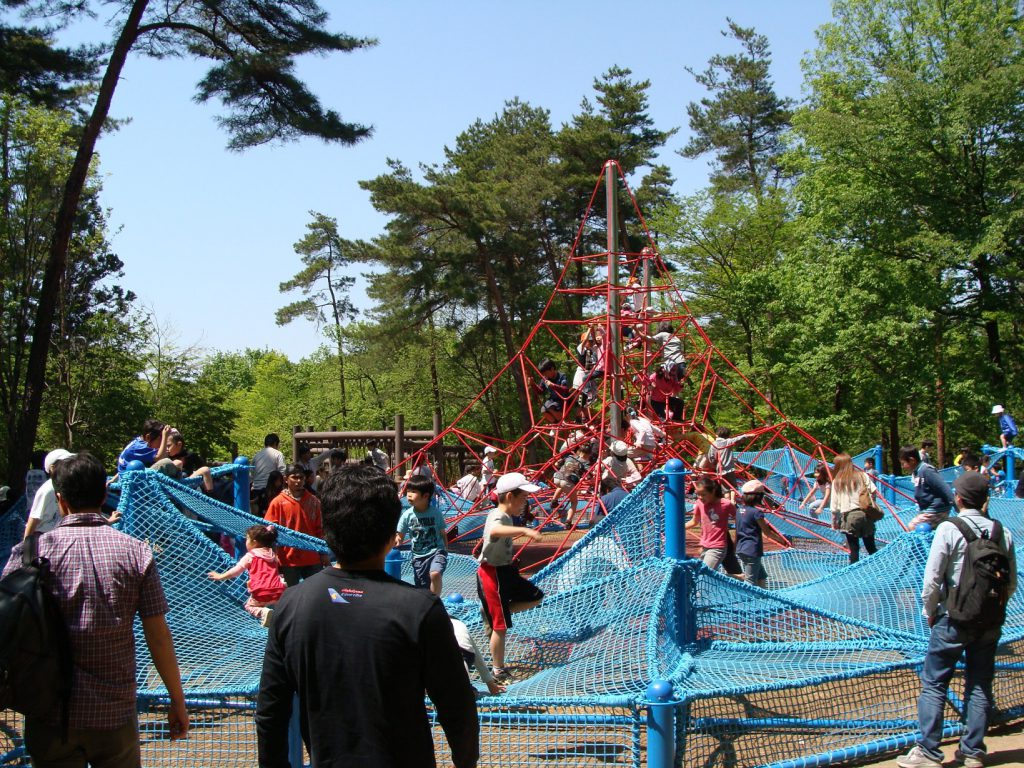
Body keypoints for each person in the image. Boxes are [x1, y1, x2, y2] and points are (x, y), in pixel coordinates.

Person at [255, 464, 479, 767]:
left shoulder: (292, 604)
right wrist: (466, 761)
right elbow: (457, 706)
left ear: (327, 528)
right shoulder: (419, 609)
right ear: (391, 534)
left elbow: (271, 709)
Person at [3, 452, 189, 763]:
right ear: (105, 494)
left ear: (60, 501)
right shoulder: (135, 553)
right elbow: (158, 636)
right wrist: (177, 701)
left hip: (48, 709)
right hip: (114, 713)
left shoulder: (28, 554)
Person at [896, 472, 1017, 768]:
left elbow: (932, 579)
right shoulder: (1003, 532)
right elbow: (1010, 583)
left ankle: (928, 751)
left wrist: (930, 611)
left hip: (953, 617)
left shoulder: (950, 529)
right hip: (989, 621)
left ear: (959, 499)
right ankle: (973, 751)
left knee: (935, 682)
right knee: (979, 683)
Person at [477, 472, 545, 684]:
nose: (525, 503)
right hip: (492, 574)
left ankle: (495, 612)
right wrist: (524, 531)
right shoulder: (497, 515)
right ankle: (498, 671)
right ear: (509, 497)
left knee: (536, 596)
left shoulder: (508, 516)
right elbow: (495, 530)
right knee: (500, 627)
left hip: (506, 572)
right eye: (523, 498)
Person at [208, 523, 287, 626]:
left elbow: (236, 570)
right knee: (276, 607)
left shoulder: (251, 556)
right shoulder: (272, 554)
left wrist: (220, 576)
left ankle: (262, 612)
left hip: (261, 591)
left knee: (249, 606)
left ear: (254, 542)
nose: (246, 542)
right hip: (279, 590)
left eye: (247, 539)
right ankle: (281, 618)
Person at [264, 463, 329, 586]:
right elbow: (269, 531)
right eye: (294, 477)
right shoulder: (277, 502)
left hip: (312, 557)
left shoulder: (314, 502)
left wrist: (323, 553)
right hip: (288, 558)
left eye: (301, 477)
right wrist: (272, 554)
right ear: (286, 479)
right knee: (290, 594)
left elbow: (320, 529)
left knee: (315, 592)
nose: (298, 481)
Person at [398, 474, 449, 596]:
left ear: (426, 496)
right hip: (418, 556)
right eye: (408, 491)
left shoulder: (435, 513)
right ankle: (428, 603)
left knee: (435, 574)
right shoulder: (407, 515)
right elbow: (399, 535)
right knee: (422, 588)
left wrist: (445, 549)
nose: (409, 494)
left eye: (413, 491)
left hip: (436, 551)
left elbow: (442, 533)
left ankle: (435, 601)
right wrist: (398, 541)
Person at [734, 480, 787, 587]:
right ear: (759, 497)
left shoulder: (739, 511)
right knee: (750, 581)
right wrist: (783, 541)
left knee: (761, 576)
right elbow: (767, 532)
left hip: (741, 548)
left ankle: (763, 597)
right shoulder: (757, 512)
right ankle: (749, 601)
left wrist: (735, 547)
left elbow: (737, 531)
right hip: (752, 550)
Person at [829, 453, 878, 564]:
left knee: (854, 551)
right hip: (866, 515)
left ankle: (854, 577)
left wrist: (834, 522)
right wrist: (871, 504)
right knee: (871, 548)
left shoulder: (837, 481)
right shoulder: (862, 475)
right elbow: (873, 491)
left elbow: (834, 506)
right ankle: (880, 573)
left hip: (849, 517)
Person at [684, 476, 737, 571]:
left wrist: (737, 540)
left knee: (704, 574)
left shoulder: (725, 504)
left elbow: (739, 520)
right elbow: (694, 521)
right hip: (705, 545)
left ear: (712, 492)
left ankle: (745, 579)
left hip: (718, 546)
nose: (700, 497)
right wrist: (677, 529)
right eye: (698, 494)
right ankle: (742, 577)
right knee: (702, 575)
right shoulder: (700, 503)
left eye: (703, 494)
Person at [23, 448, 76, 539]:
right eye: (66, 463)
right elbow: (33, 518)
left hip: (59, 535)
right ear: (52, 468)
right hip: (42, 536)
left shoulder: (65, 486)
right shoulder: (47, 489)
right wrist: (26, 546)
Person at [900, 446, 955, 530]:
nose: (902, 467)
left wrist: (957, 506)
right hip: (928, 509)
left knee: (912, 527)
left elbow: (944, 488)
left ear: (912, 460)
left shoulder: (926, 470)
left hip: (937, 509)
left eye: (903, 463)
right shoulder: (917, 472)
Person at [449, 616, 505, 696]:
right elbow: (478, 658)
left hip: (462, 653)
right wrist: (490, 683)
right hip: (464, 653)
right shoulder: (458, 624)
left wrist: (490, 684)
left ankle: (465, 689)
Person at [550, 442, 591, 524]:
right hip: (567, 482)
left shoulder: (570, 456)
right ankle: (568, 522)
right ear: (588, 454)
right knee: (574, 502)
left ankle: (554, 500)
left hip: (557, 478)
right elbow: (589, 476)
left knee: (561, 485)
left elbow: (556, 464)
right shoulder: (585, 464)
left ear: (579, 451)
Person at [702, 427, 750, 495]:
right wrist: (747, 435)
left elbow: (711, 456)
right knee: (733, 487)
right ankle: (733, 502)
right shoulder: (728, 441)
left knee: (725, 489)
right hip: (730, 468)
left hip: (721, 469)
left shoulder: (714, 444)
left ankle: (728, 500)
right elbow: (738, 438)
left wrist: (713, 463)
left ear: (717, 435)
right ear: (727, 435)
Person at [250, 434, 286, 512]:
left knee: (258, 518)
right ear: (276, 443)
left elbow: (251, 474)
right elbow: (282, 472)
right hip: (271, 491)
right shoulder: (278, 454)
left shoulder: (256, 455)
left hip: (256, 490)